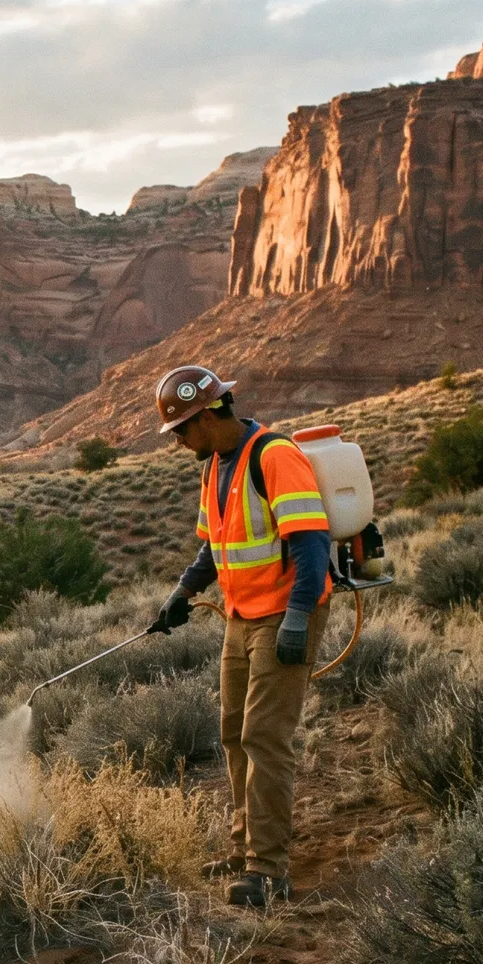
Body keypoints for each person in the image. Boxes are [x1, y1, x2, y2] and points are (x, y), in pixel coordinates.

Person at [148, 368, 331, 909]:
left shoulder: (274, 456)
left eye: (181, 431)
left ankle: (268, 870)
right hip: (239, 616)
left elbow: (312, 543)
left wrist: (298, 618)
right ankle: (244, 848)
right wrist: (181, 594)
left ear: (207, 417)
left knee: (265, 738)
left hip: (283, 614)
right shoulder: (214, 468)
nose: (179, 443)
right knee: (233, 733)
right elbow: (212, 547)